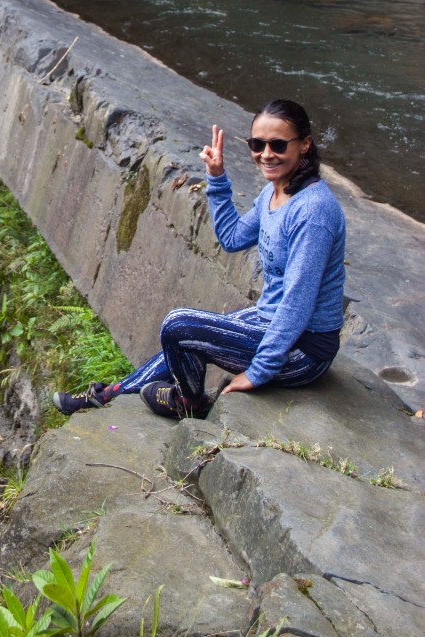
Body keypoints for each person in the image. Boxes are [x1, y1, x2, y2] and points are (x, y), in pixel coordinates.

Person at [53, 99, 346, 418]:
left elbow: (298, 304)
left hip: (304, 350)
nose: (266, 154)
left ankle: (189, 403)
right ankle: (109, 396)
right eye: (257, 144)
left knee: (179, 325)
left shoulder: (313, 211)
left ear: (304, 144)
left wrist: (258, 372)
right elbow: (232, 238)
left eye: (277, 144)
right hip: (271, 320)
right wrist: (217, 178)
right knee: (186, 334)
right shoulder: (276, 191)